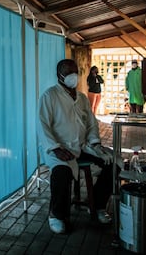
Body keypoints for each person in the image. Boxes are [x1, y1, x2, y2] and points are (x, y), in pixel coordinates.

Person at [38, 59, 114, 234]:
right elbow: (42, 125)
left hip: (82, 146)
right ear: (59, 76)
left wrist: (95, 142)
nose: (73, 76)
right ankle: (56, 215)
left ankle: (98, 204)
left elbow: (92, 123)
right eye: (68, 72)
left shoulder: (81, 98)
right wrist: (56, 148)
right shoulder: (49, 96)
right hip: (59, 148)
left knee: (114, 162)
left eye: (75, 72)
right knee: (61, 173)